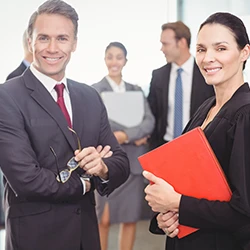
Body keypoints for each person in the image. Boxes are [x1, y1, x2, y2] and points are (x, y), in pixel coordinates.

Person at [0, 1, 130, 250]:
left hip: (86, 237)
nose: (52, 48)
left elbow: (121, 161)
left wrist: (101, 168)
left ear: (74, 43)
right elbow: (26, 179)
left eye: (62, 38)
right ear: (30, 41)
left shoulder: (89, 96)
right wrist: (85, 183)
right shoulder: (7, 97)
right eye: (43, 38)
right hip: (36, 238)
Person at [143, 12, 250, 250]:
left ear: (244, 52)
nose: (207, 58)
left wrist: (177, 203)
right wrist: (167, 216)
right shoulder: (207, 107)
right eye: (201, 49)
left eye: (220, 48)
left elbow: (244, 212)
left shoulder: (244, 114)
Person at [92, 42, 155, 250]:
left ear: (125, 61)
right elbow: (98, 125)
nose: (114, 61)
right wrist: (128, 133)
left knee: (130, 219)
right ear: (104, 59)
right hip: (107, 163)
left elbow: (148, 122)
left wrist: (124, 134)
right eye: (110, 56)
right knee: (104, 220)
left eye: (119, 57)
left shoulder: (136, 91)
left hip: (133, 166)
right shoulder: (94, 91)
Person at [147, 21, 214, 149]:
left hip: (199, 147)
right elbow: (152, 114)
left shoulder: (207, 73)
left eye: (165, 44)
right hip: (164, 147)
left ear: (182, 43)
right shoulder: (158, 76)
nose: (162, 49)